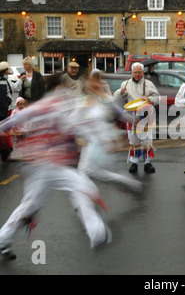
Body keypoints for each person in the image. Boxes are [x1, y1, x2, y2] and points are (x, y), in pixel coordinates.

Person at [0, 74, 126, 260]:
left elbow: (12, 121)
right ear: (57, 88)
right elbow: (76, 128)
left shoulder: (39, 106)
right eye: (64, 87)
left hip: (37, 164)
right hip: (49, 164)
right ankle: (97, 232)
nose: (67, 90)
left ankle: (3, 239)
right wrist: (105, 141)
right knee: (82, 188)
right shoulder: (57, 106)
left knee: (31, 204)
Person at [77, 69, 142, 193]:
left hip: (102, 142)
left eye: (95, 81)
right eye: (90, 81)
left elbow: (120, 113)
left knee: (89, 171)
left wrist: (134, 121)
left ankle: (129, 184)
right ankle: (129, 184)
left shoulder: (106, 100)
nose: (91, 84)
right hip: (92, 141)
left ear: (99, 83)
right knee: (89, 171)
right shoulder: (88, 100)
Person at [113, 62, 160, 173]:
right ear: (132, 72)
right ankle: (134, 163)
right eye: (135, 72)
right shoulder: (125, 84)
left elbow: (157, 98)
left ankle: (147, 163)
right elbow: (115, 98)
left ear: (143, 72)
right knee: (134, 140)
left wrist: (149, 99)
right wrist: (121, 92)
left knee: (147, 140)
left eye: (139, 72)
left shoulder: (149, 84)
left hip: (145, 115)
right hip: (132, 116)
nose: (137, 74)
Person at [0, 61, 13, 161]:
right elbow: (6, 97)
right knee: (4, 132)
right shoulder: (3, 81)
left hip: (4, 110)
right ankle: (5, 153)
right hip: (4, 112)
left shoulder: (4, 79)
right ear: (6, 70)